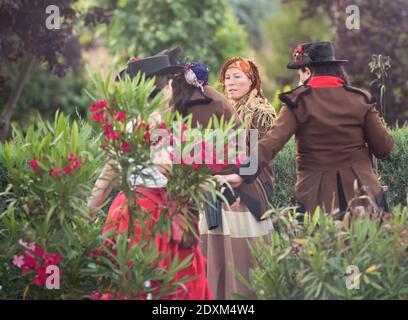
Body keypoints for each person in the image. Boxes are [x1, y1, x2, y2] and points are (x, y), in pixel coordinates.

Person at [220, 41, 394, 221]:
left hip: (316, 199)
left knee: (320, 247)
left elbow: (271, 143)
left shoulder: (297, 101)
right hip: (364, 195)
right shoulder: (361, 98)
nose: (299, 80)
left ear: (308, 72)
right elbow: (384, 148)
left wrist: (242, 173)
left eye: (299, 74)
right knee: (366, 247)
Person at [87, 50, 213, 300]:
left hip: (126, 208)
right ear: (162, 89)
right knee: (164, 282)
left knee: (128, 281)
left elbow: (109, 173)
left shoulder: (128, 124)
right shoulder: (160, 126)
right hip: (155, 214)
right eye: (168, 84)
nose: (172, 90)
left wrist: (87, 210)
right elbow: (166, 169)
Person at [197, 57, 276, 300]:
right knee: (216, 254)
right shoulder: (221, 109)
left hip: (249, 189)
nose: (230, 82)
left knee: (244, 259)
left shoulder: (260, 112)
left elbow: (257, 155)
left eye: (237, 76)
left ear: (252, 81)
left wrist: (237, 176)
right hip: (221, 190)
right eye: (227, 77)